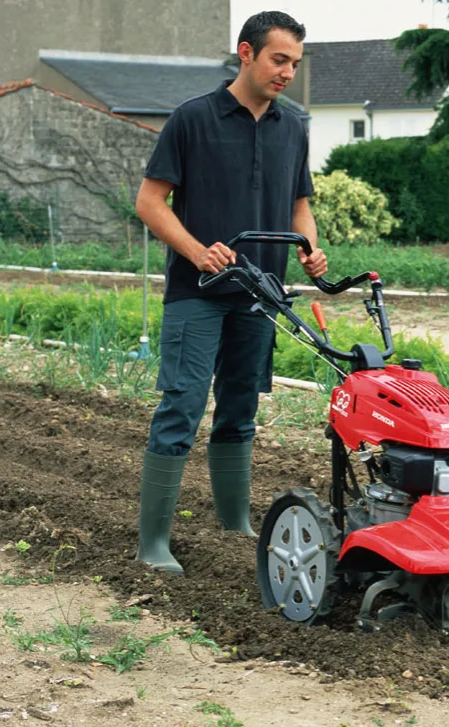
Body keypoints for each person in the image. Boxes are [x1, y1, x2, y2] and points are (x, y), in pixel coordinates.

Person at [133, 10, 326, 575]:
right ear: (246, 53)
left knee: (240, 410)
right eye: (278, 59)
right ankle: (153, 544)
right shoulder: (193, 119)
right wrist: (197, 251)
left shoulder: (293, 126)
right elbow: (149, 202)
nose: (288, 71)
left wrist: (308, 247)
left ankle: (234, 522)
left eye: (294, 62)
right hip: (197, 291)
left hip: (261, 295)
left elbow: (299, 208)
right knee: (182, 407)